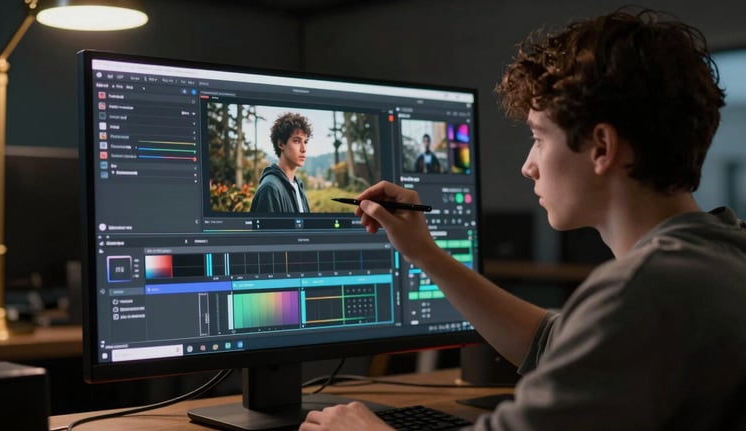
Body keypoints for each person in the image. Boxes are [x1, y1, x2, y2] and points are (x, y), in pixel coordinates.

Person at [300, 8, 746, 431]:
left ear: (602, 147)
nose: (528, 166)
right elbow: (555, 342)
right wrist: (426, 253)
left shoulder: (646, 290)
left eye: (538, 138)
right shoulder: (720, 250)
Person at [250, 112, 312, 213]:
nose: (304, 149)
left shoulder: (297, 186)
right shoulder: (270, 188)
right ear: (281, 144)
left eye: (305, 142)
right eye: (297, 141)